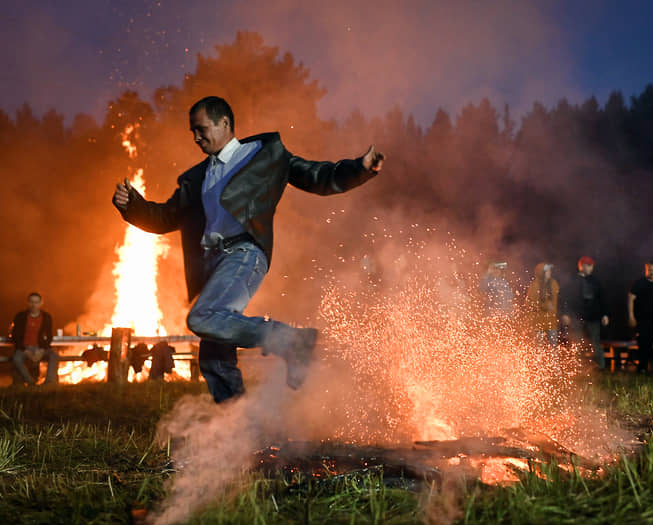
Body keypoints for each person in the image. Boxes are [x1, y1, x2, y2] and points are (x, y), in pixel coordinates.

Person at [112, 96, 383, 402]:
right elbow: (164, 218)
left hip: (244, 252)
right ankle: (236, 428)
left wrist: (360, 169)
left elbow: (318, 176)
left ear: (224, 123)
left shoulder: (264, 155)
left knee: (203, 317)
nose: (196, 137)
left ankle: (292, 340)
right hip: (212, 262)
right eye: (192, 132)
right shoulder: (196, 178)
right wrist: (132, 206)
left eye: (200, 129)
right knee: (214, 357)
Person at [561, 256, 609, 370]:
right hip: (577, 316)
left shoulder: (596, 282)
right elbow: (565, 298)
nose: (589, 268)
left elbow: (603, 299)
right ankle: (575, 367)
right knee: (576, 341)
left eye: (591, 265)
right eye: (587, 265)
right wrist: (565, 313)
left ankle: (600, 367)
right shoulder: (572, 281)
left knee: (595, 342)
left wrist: (605, 314)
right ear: (581, 266)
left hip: (593, 317)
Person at [9, 292, 59, 385]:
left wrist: (42, 350)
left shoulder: (46, 317)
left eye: (36, 302)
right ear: (28, 303)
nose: (34, 305)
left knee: (54, 356)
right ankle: (30, 381)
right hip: (24, 348)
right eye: (31, 302)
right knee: (16, 359)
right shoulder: (20, 316)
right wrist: (25, 350)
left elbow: (49, 336)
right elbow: (15, 336)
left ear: (41, 303)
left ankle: (49, 383)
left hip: (39, 347)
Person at [627, 261, 653, 373]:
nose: (652, 272)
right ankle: (642, 368)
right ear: (646, 270)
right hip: (640, 319)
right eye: (650, 270)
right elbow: (631, 298)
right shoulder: (640, 283)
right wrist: (631, 316)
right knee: (642, 343)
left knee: (650, 343)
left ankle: (650, 368)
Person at [526, 263, 559, 346]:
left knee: (553, 347)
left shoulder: (554, 284)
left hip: (551, 321)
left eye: (550, 270)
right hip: (538, 322)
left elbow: (559, 300)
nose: (550, 272)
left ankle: (554, 359)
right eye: (547, 271)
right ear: (541, 273)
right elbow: (529, 303)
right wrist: (544, 306)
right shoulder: (534, 286)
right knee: (538, 348)